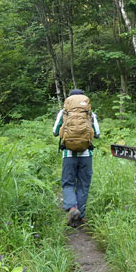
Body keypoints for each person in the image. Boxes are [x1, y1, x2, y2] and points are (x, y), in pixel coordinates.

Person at [52, 89, 100, 227]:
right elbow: (97, 134)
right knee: (83, 184)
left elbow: (55, 132)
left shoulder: (63, 113)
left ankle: (72, 208)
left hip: (68, 155)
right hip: (86, 155)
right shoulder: (90, 114)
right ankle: (81, 216)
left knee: (68, 183)